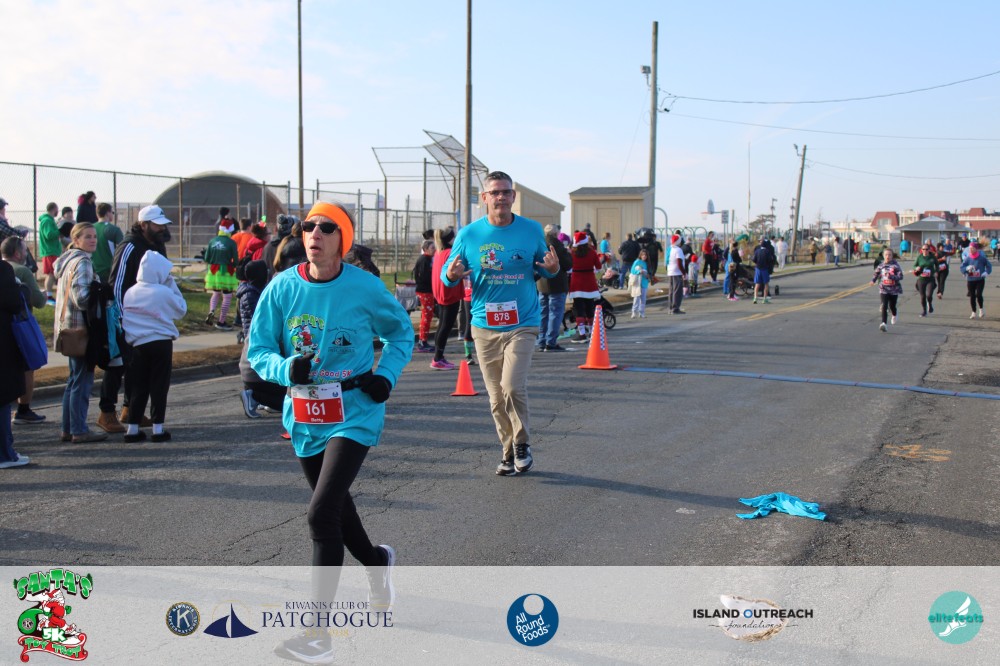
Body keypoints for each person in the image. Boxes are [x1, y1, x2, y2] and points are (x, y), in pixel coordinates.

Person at [248, 201, 412, 663]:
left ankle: (317, 635)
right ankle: (377, 562)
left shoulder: (365, 287)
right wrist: (285, 368)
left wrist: (386, 375)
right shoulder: (282, 288)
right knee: (337, 510)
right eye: (308, 226)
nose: (314, 234)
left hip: (355, 410)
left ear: (343, 239)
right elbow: (258, 350)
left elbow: (401, 334)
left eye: (326, 227)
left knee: (321, 515)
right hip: (305, 414)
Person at [441, 171, 560, 476]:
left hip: (523, 322)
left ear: (513, 197)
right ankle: (507, 452)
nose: (501, 197)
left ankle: (522, 443)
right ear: (485, 198)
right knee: (496, 397)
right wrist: (452, 275)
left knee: (511, 385)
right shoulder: (469, 234)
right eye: (495, 192)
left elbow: (546, 269)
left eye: (506, 192)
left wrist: (553, 268)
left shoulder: (531, 230)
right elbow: (447, 274)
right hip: (484, 325)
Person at [106, 204, 172, 431]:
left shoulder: (157, 244)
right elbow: (117, 284)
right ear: (144, 225)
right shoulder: (129, 246)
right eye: (157, 224)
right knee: (117, 365)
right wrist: (120, 318)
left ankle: (130, 409)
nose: (162, 228)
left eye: (163, 224)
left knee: (138, 371)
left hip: (151, 319)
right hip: (129, 317)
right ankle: (107, 411)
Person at [122, 251, 186, 442]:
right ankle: (158, 428)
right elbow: (181, 309)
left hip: (137, 343)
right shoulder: (162, 292)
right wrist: (171, 284)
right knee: (159, 385)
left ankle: (132, 428)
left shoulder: (130, 292)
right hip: (161, 341)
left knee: (138, 386)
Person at [54, 223, 108, 443]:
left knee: (74, 380)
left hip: (68, 327)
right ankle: (78, 429)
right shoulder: (83, 262)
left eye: (94, 236)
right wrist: (101, 292)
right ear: (76, 240)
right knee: (82, 381)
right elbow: (82, 299)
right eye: (87, 237)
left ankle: (68, 428)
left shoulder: (67, 261)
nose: (93, 240)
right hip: (81, 329)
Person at [3, 236, 47, 424]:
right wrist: (44, 294)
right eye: (24, 250)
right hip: (20, 324)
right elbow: (38, 301)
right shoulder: (22, 271)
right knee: (28, 367)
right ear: (17, 253)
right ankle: (24, 408)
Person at [1, 259, 30, 468]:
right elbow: (15, 302)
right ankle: (5, 453)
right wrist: (20, 288)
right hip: (3, 343)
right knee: (3, 399)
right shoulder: (3, 270)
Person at [429, 227, 463, 369]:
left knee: (442, 325)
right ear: (450, 239)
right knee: (445, 326)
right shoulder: (450, 253)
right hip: (450, 292)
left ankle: (438, 356)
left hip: (441, 292)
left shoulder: (439, 252)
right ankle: (438, 358)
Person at [536, 223, 573, 352]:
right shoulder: (557, 246)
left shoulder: (539, 244)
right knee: (555, 313)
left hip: (542, 283)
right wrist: (568, 254)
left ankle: (541, 341)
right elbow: (567, 264)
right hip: (557, 283)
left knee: (543, 313)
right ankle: (550, 342)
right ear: (556, 233)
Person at [203, 222, 239, 331]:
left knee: (216, 293)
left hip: (214, 272)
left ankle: (211, 310)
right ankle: (221, 321)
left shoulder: (212, 241)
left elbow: (207, 258)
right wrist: (234, 265)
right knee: (227, 296)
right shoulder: (231, 243)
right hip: (226, 271)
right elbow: (236, 260)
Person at [567, 231, 602, 342]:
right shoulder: (592, 252)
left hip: (576, 283)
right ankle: (592, 333)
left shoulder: (571, 253)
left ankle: (582, 334)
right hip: (590, 283)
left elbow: (568, 268)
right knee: (590, 308)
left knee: (579, 309)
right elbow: (599, 267)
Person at [412, 239, 436, 353]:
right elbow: (423, 276)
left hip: (427, 290)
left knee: (428, 315)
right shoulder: (424, 260)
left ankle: (423, 340)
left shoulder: (429, 259)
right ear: (425, 249)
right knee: (426, 316)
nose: (434, 250)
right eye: (432, 248)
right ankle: (422, 341)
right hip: (425, 291)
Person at [871, 248, 903, 332]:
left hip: (894, 289)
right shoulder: (881, 265)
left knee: (892, 306)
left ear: (892, 256)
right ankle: (883, 323)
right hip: (883, 288)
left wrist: (891, 277)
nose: (887, 256)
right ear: (883, 256)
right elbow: (876, 273)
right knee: (884, 305)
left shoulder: (896, 265)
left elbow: (900, 276)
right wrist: (873, 280)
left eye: (889, 255)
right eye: (886, 255)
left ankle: (894, 314)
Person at [91, 203, 124, 283]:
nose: (113, 215)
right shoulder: (113, 229)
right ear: (107, 213)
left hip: (92, 270)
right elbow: (122, 250)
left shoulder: (90, 228)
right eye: (112, 212)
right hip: (109, 272)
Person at [960, 241, 992, 319]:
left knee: (979, 295)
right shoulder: (968, 258)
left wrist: (986, 272)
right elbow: (962, 267)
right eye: (970, 248)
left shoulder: (981, 258)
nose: (971, 250)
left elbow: (989, 266)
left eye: (973, 248)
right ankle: (973, 312)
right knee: (972, 296)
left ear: (976, 249)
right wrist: (966, 269)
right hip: (970, 280)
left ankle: (981, 309)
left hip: (980, 279)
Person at [38, 202, 62, 304]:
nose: (57, 212)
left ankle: (49, 295)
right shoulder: (47, 221)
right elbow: (48, 235)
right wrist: (60, 231)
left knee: (52, 274)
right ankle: (48, 296)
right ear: (54, 209)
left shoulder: (50, 220)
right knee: (51, 274)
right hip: (49, 251)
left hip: (52, 250)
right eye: (57, 209)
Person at [912, 243, 938, 317]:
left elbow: (937, 265)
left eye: (926, 249)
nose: (925, 251)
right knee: (922, 296)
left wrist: (936, 272)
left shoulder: (932, 257)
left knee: (929, 295)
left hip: (930, 279)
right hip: (922, 279)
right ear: (921, 250)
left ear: (929, 250)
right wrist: (916, 268)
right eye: (923, 249)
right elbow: (914, 266)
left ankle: (929, 303)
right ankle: (924, 311)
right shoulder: (919, 257)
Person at [666, 234, 685, 314]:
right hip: (677, 272)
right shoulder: (678, 250)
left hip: (670, 271)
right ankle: (675, 308)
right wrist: (684, 273)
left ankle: (670, 307)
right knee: (677, 291)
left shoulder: (669, 249)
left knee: (671, 290)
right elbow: (679, 263)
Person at [752, 239, 774, 304]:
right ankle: (764, 299)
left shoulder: (757, 251)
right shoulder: (767, 252)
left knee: (757, 284)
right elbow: (770, 260)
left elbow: (754, 259)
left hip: (758, 269)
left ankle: (755, 298)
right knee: (766, 284)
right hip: (765, 269)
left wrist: (757, 263)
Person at [630, 248, 650, 318]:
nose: (644, 256)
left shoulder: (646, 263)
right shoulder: (637, 261)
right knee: (636, 297)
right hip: (637, 282)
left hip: (644, 282)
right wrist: (639, 272)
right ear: (640, 255)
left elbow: (649, 272)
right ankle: (634, 312)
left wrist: (648, 276)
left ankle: (641, 312)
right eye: (643, 255)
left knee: (643, 299)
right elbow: (632, 271)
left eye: (645, 255)